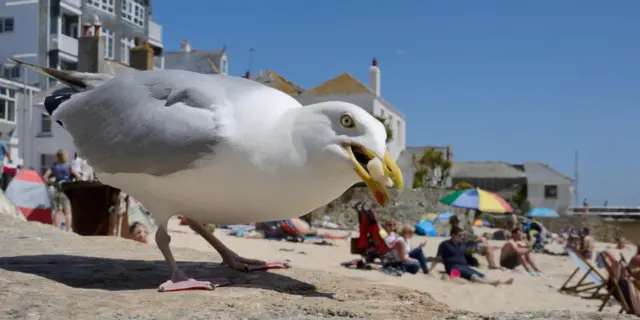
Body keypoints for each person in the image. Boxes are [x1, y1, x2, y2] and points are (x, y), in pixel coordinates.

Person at [430, 226, 513, 286]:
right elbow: (438, 258)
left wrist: (488, 246)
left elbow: (474, 248)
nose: (462, 237)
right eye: (460, 235)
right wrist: (430, 270)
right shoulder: (445, 245)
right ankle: (490, 283)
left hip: (464, 266)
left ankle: (501, 282)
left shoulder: (462, 245)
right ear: (453, 235)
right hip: (452, 269)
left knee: (481, 275)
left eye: (462, 235)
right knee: (472, 276)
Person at [43, 149, 82, 232]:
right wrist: (74, 182)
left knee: (57, 210)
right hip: (67, 189)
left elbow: (45, 177)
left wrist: (52, 183)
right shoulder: (68, 166)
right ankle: (68, 229)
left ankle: (57, 228)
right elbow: (78, 176)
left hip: (57, 189)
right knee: (67, 211)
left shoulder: (54, 166)